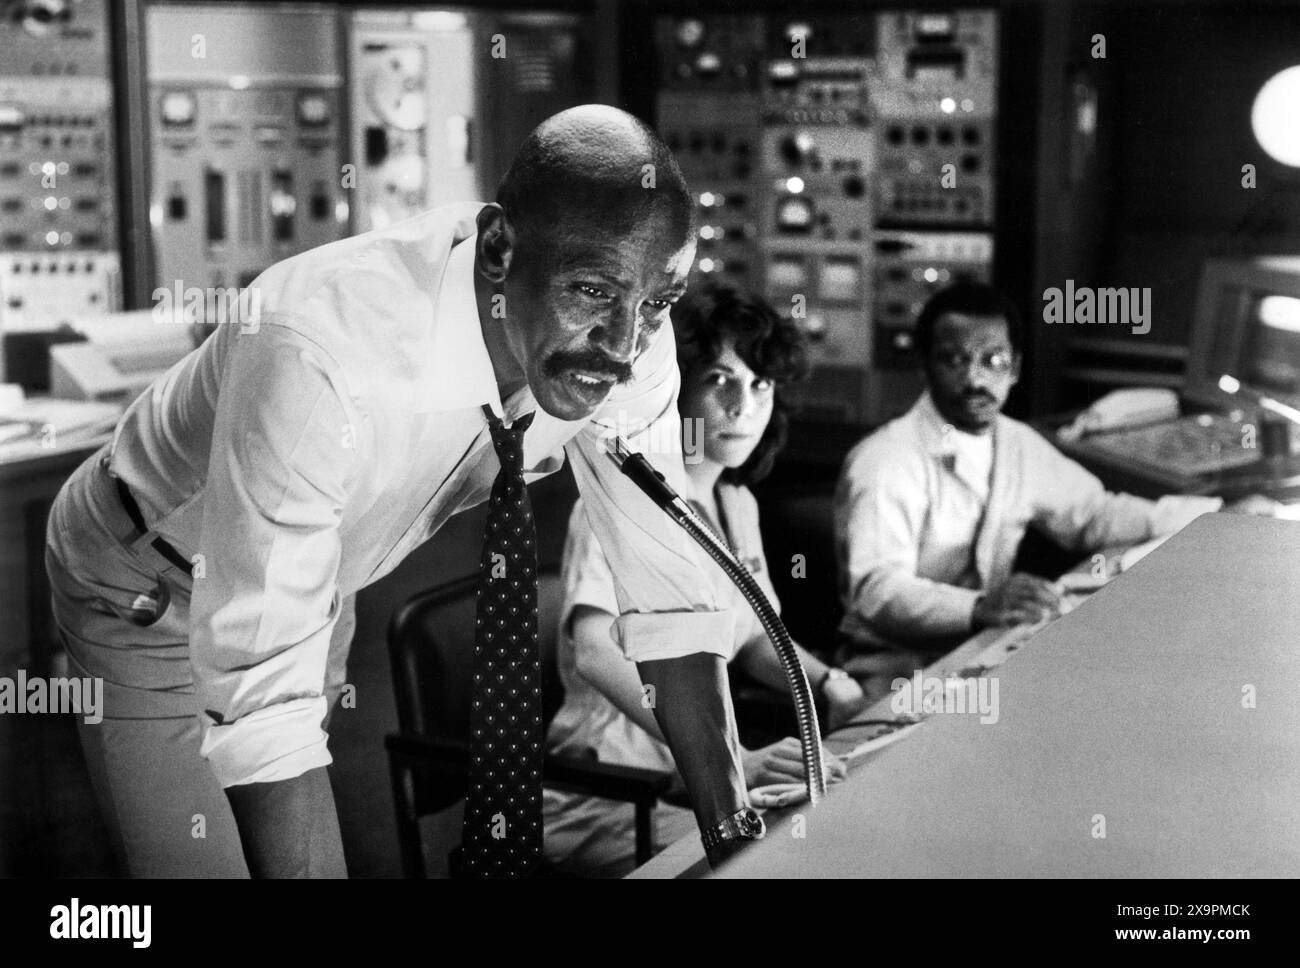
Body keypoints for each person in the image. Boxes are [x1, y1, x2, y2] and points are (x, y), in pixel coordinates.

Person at [45, 105, 765, 877]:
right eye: (591, 290)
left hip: (320, 568)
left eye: (658, 301)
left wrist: (741, 836)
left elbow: (670, 601)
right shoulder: (320, 351)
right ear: (498, 248)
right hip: (146, 577)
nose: (624, 346)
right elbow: (266, 713)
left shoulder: (628, 333)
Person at [543, 282, 865, 876]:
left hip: (694, 784)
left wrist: (831, 683)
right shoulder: (620, 498)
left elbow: (747, 636)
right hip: (614, 792)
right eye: (720, 381)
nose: (744, 406)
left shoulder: (736, 503)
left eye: (760, 386)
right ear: (676, 388)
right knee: (781, 863)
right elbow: (593, 653)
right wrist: (731, 759)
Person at [833, 281, 1255, 700]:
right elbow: (877, 589)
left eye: (992, 360)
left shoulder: (1016, 443)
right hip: (888, 673)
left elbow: (1094, 514)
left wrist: (1219, 513)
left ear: (1014, 368)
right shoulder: (885, 459)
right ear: (924, 366)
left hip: (975, 654)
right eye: (954, 360)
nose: (975, 378)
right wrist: (979, 607)